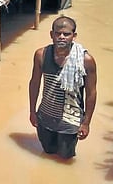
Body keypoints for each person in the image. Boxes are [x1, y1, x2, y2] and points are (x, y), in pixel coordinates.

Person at [29, 16, 97, 159]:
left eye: (66, 34)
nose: (61, 37)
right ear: (51, 34)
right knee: (47, 152)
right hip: (45, 116)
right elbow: (34, 83)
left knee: (65, 157)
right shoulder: (41, 55)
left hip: (70, 120)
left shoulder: (85, 61)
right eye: (57, 33)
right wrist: (32, 112)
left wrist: (86, 123)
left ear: (74, 36)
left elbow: (91, 93)